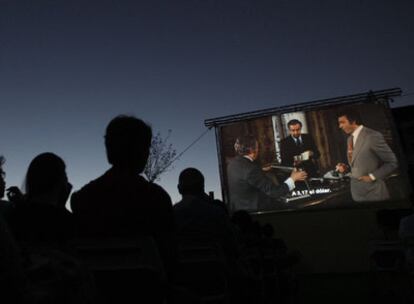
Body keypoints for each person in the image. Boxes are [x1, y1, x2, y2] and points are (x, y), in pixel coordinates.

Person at [70, 115, 176, 278]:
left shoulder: (81, 199)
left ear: (108, 149)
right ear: (142, 151)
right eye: (147, 148)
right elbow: (170, 261)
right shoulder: (157, 198)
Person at [7, 153, 74, 247]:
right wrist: (61, 207)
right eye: (64, 174)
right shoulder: (64, 221)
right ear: (59, 181)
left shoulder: (15, 214)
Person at [174, 168, 240, 263]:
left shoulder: (170, 217)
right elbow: (233, 249)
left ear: (179, 189)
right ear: (202, 187)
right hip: (218, 275)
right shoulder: (217, 213)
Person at [227, 135, 307, 211]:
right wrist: (293, 179)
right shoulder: (251, 170)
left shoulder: (232, 163)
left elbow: (246, 175)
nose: (258, 149)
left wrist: (260, 170)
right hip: (256, 209)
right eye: (258, 147)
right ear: (252, 150)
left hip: (239, 207)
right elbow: (274, 192)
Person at [335, 108, 398, 202]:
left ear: (353, 121)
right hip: (357, 195)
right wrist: (346, 168)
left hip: (374, 194)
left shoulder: (372, 136)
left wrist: (372, 177)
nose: (340, 126)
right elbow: (357, 163)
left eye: (342, 122)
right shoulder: (349, 139)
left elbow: (392, 163)